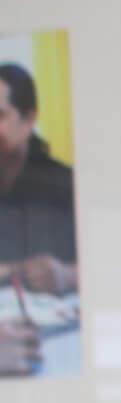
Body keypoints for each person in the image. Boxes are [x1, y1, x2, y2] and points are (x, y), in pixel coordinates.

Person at [0, 63, 77, 298]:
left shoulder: (65, 183)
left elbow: (118, 258)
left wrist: (67, 275)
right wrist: (17, 270)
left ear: (29, 119)